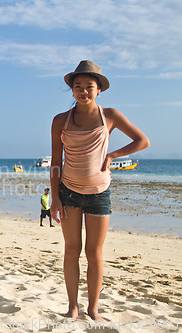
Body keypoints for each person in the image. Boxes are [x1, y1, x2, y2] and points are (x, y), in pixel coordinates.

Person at [49, 60, 150, 321]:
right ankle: (73, 307)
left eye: (89, 87)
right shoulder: (60, 120)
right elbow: (56, 163)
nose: (83, 91)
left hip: (99, 192)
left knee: (94, 253)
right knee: (72, 250)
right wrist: (55, 199)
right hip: (68, 192)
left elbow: (142, 141)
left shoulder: (110, 116)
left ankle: (93, 309)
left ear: (99, 90)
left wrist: (114, 154)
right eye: (78, 86)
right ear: (71, 90)